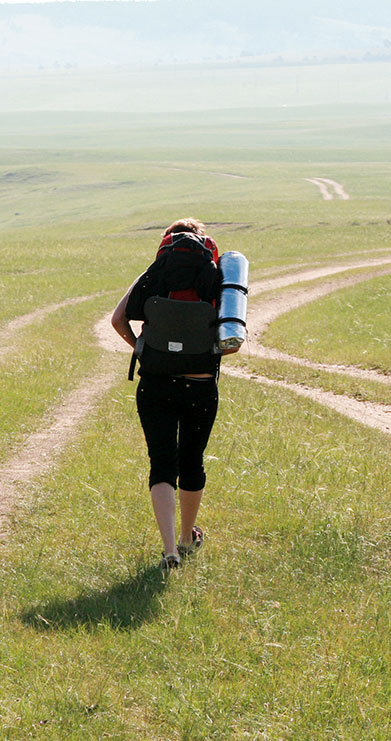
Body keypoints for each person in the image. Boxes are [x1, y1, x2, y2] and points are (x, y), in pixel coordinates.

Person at [109, 218, 233, 571]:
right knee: (192, 461)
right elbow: (232, 340)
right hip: (200, 383)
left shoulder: (154, 273)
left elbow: (118, 320)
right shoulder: (216, 279)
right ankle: (186, 537)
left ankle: (169, 551)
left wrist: (142, 350)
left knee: (161, 464)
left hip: (155, 383)